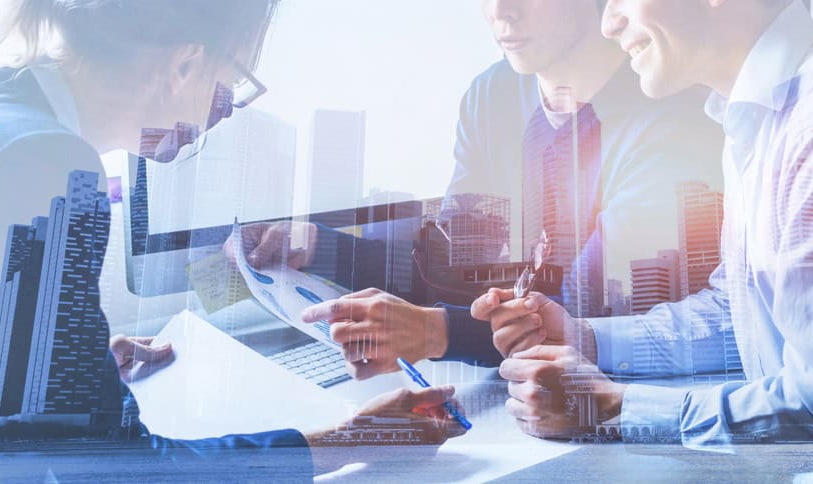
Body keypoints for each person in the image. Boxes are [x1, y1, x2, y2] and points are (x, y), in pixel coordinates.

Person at [0, 0, 466, 475]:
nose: (227, 112)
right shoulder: (46, 162)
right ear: (186, 65)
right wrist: (357, 437)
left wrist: (73, 373)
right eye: (232, 84)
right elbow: (114, 470)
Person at [481, 0, 813, 447]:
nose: (609, 23)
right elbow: (750, 315)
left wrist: (615, 406)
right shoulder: (765, 119)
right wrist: (586, 338)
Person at [296, 0, 722, 380]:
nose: (500, 11)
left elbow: (584, 311)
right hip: (524, 375)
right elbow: (454, 263)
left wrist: (434, 331)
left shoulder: (672, 113)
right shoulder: (491, 95)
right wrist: (319, 249)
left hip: (637, 377)